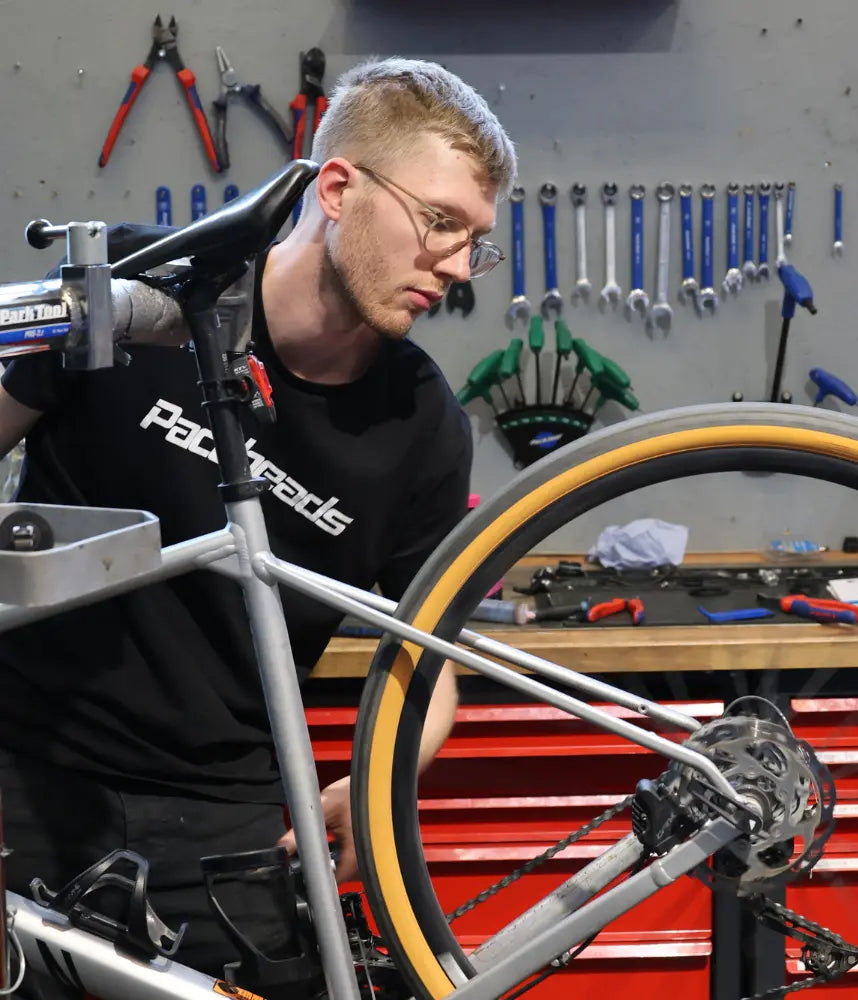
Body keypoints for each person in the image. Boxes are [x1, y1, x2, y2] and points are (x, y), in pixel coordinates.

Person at [0, 56, 517, 994]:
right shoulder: (133, 294)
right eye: (440, 223)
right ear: (337, 186)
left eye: (474, 241)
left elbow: (428, 652)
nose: (455, 265)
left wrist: (383, 775)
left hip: (230, 826)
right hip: (23, 775)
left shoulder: (423, 426)